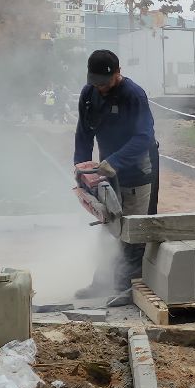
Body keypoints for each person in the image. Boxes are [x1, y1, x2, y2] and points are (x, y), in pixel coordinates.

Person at [72, 49, 158, 305]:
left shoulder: (134, 95)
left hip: (136, 168)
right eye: (95, 82)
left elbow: (144, 137)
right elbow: (84, 131)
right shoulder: (89, 94)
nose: (100, 88)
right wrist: (81, 166)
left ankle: (126, 288)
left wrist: (116, 162)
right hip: (106, 169)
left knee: (132, 229)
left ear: (117, 74)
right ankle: (102, 282)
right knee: (108, 226)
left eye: (104, 83)